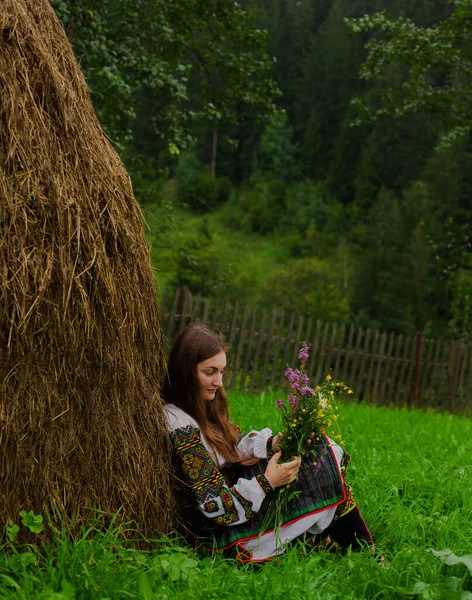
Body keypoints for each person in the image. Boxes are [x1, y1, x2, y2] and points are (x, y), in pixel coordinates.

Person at [163, 325, 374, 563]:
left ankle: (341, 542)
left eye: (221, 371)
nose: (219, 382)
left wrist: (273, 444)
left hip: (239, 496)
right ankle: (365, 554)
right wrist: (268, 482)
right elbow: (213, 505)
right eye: (210, 372)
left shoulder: (203, 403)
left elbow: (227, 451)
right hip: (221, 529)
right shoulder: (178, 423)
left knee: (313, 450)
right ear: (186, 372)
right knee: (321, 471)